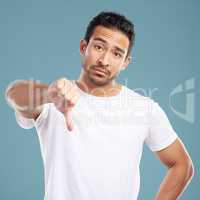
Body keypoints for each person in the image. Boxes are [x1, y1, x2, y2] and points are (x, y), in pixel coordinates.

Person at [5, 11, 194, 200]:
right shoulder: (55, 98)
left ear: (125, 63)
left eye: (117, 53)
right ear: (83, 46)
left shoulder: (145, 108)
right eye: (98, 47)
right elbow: (13, 94)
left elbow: (181, 165)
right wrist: (49, 93)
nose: (104, 60)